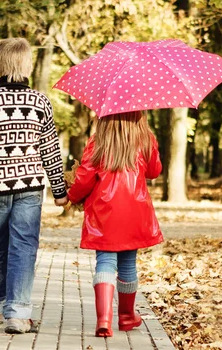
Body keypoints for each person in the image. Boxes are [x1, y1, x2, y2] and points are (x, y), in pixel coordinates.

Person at [0, 38, 68, 334]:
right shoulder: (40, 102)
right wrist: (60, 190)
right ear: (28, 66)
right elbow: (50, 149)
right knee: (24, 247)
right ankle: (17, 312)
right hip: (30, 187)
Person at [67, 111, 163, 337]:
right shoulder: (145, 139)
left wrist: (71, 196)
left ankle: (104, 320)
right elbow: (154, 171)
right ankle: (127, 317)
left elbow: (84, 179)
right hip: (134, 210)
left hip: (104, 212)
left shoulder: (98, 141)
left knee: (105, 261)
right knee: (128, 263)